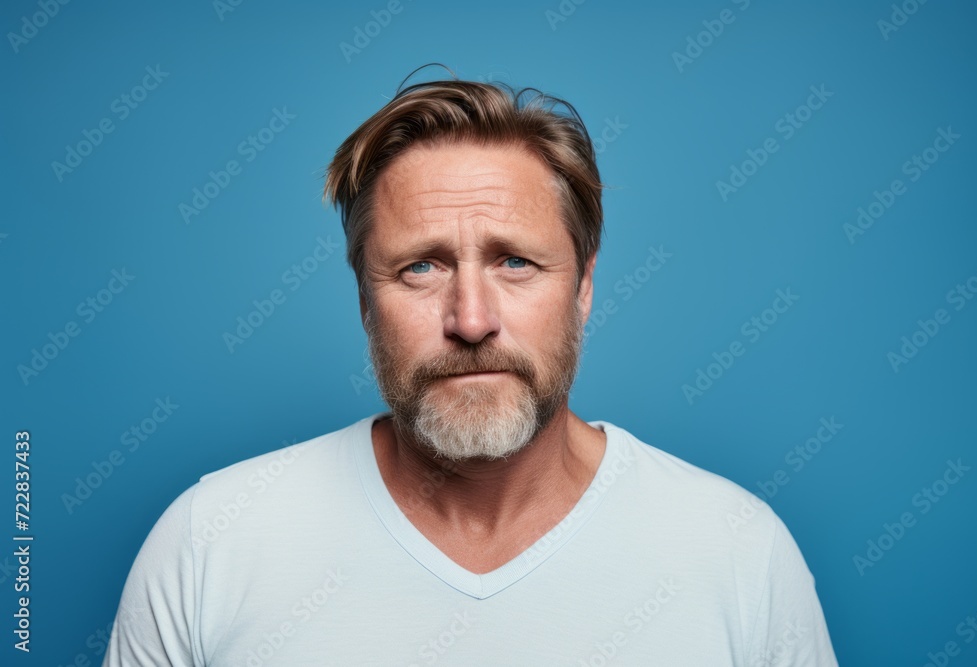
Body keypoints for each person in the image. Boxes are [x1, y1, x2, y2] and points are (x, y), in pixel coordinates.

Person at [104, 68, 838, 666]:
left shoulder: (737, 550)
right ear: (365, 299)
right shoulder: (212, 542)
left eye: (515, 261)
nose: (471, 319)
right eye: (420, 267)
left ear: (582, 286)